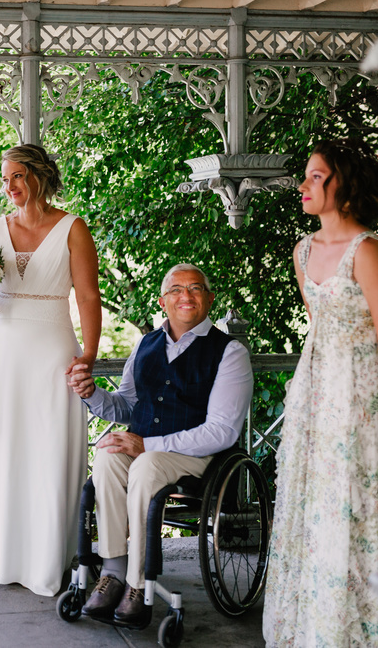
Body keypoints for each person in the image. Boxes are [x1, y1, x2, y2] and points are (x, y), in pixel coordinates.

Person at [263, 138, 378, 647]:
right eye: (305, 176)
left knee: (357, 509)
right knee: (312, 504)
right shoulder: (302, 250)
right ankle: (310, 628)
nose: (302, 185)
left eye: (315, 176)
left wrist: (372, 407)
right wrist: (323, 391)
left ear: (343, 184)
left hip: (361, 399)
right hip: (313, 391)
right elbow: (318, 324)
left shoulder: (368, 252)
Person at [67, 264, 253, 628]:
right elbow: (127, 405)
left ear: (210, 299)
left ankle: (139, 584)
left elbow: (222, 431)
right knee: (107, 454)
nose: (186, 296)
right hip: (148, 450)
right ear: (162, 301)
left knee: (145, 465)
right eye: (176, 289)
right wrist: (92, 394)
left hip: (195, 456)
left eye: (196, 288)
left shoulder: (229, 352)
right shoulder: (146, 344)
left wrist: (148, 445)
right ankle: (114, 571)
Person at [0, 143, 101, 596]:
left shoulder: (73, 228)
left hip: (52, 348)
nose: (9, 186)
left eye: (17, 176)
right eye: (5, 179)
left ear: (39, 176)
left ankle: (46, 558)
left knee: (46, 449)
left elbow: (87, 298)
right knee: (2, 447)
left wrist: (90, 355)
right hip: (3, 349)